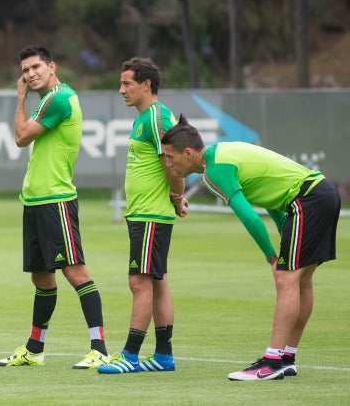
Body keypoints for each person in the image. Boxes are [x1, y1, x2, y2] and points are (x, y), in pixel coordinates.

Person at [161, 115, 341, 381]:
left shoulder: (214, 170)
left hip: (307, 200)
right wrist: (284, 235)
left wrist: (271, 255)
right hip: (320, 194)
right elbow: (269, 194)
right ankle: (286, 358)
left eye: (170, 156)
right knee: (301, 281)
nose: (168, 163)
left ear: (188, 153)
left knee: (286, 279)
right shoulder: (223, 151)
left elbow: (249, 216)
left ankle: (271, 362)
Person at [0, 45, 110, 369]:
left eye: (35, 67)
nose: (30, 74)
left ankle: (99, 347)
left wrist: (19, 99)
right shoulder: (47, 100)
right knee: (42, 279)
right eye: (25, 70)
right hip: (35, 201)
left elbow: (20, 137)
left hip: (55, 200)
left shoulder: (59, 98)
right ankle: (34, 349)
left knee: (75, 272)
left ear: (52, 67)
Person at [98, 57, 187, 374]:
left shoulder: (155, 117)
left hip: (151, 215)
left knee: (139, 282)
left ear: (146, 84)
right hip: (144, 214)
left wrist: (177, 198)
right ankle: (164, 356)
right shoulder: (145, 118)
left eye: (127, 83)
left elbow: (175, 161)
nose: (121, 89)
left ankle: (130, 355)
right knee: (157, 284)